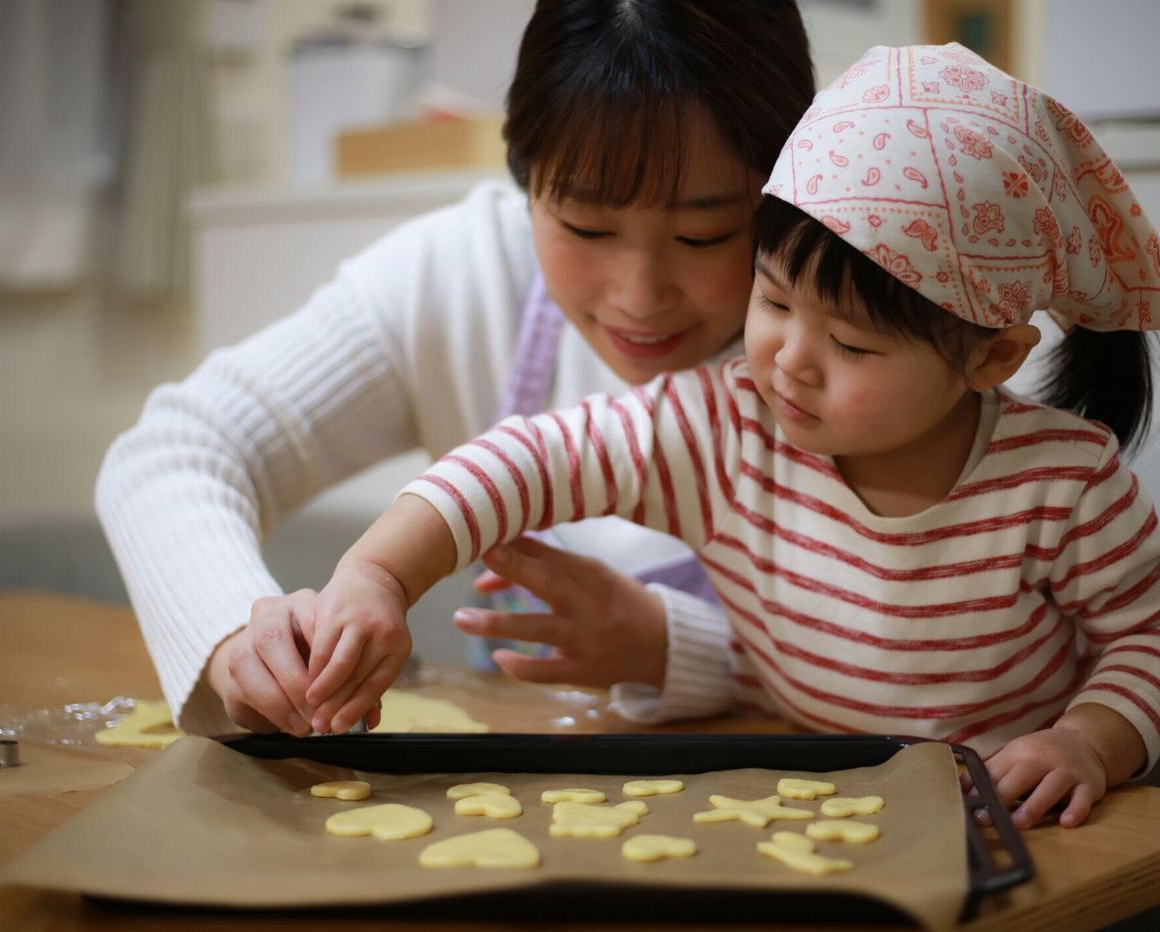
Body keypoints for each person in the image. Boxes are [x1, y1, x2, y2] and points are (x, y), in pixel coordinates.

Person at [302, 44, 1160, 829]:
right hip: (813, 807)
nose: (788, 361)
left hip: (1006, 828)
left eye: (852, 343)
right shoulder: (725, 427)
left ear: (990, 358)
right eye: (773, 299)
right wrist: (378, 574)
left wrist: (1087, 741)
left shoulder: (1059, 483)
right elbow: (530, 460)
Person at [95, 0, 817, 738]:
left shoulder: (862, 340)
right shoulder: (468, 277)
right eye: (585, 226)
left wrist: (679, 650)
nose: (639, 297)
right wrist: (235, 642)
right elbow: (175, 452)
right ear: (526, 180)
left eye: (704, 235)